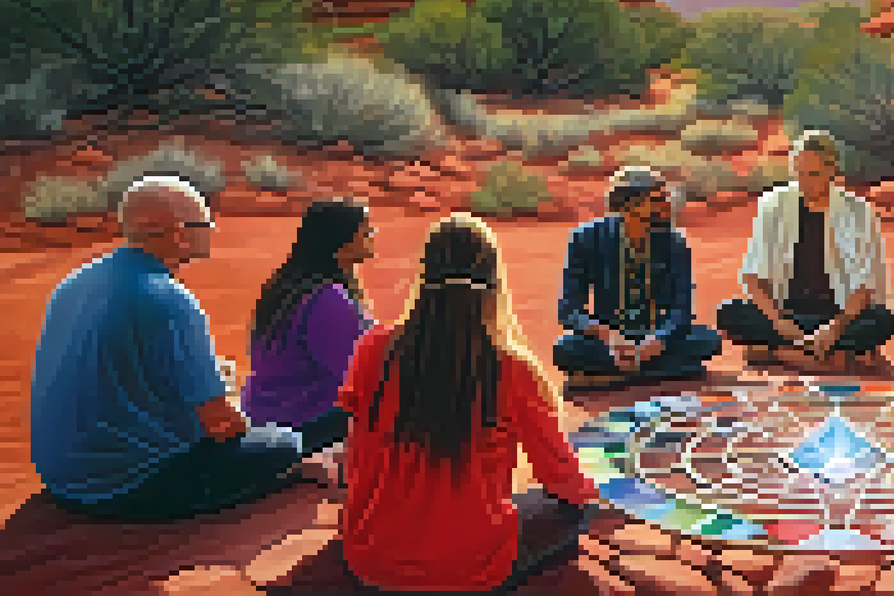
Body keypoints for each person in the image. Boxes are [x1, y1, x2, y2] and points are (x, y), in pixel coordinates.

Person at [32, 176, 346, 521]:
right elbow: (224, 425)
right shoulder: (170, 300)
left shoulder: (75, 282)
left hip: (61, 476)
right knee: (285, 443)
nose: (212, 229)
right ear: (180, 232)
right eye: (206, 221)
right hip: (124, 487)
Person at [341, 214, 599, 592]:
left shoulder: (372, 348)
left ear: (424, 273)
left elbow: (357, 455)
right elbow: (561, 479)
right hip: (469, 567)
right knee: (572, 510)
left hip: (371, 557)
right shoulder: (512, 367)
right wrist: (598, 497)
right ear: (493, 279)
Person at [717, 130, 894, 373]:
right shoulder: (773, 205)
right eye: (799, 173)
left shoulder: (858, 212)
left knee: (882, 321)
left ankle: (777, 352)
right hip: (786, 314)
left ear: (832, 170)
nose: (804, 182)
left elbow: (865, 286)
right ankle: (823, 357)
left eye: (813, 174)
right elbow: (753, 277)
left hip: (836, 316)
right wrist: (781, 324)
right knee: (729, 312)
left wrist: (834, 328)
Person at [553, 167, 722, 390]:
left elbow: (682, 310)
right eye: (657, 199)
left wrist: (658, 341)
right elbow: (569, 310)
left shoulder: (674, 242)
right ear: (627, 203)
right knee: (565, 349)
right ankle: (666, 371)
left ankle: (614, 374)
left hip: (656, 337)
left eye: (665, 198)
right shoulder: (586, 239)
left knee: (709, 340)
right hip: (611, 339)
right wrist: (608, 335)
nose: (666, 205)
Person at [243, 198, 375, 446]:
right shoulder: (327, 299)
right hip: (301, 430)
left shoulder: (290, 287)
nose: (372, 234)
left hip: (269, 420)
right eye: (365, 230)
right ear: (342, 240)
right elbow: (354, 375)